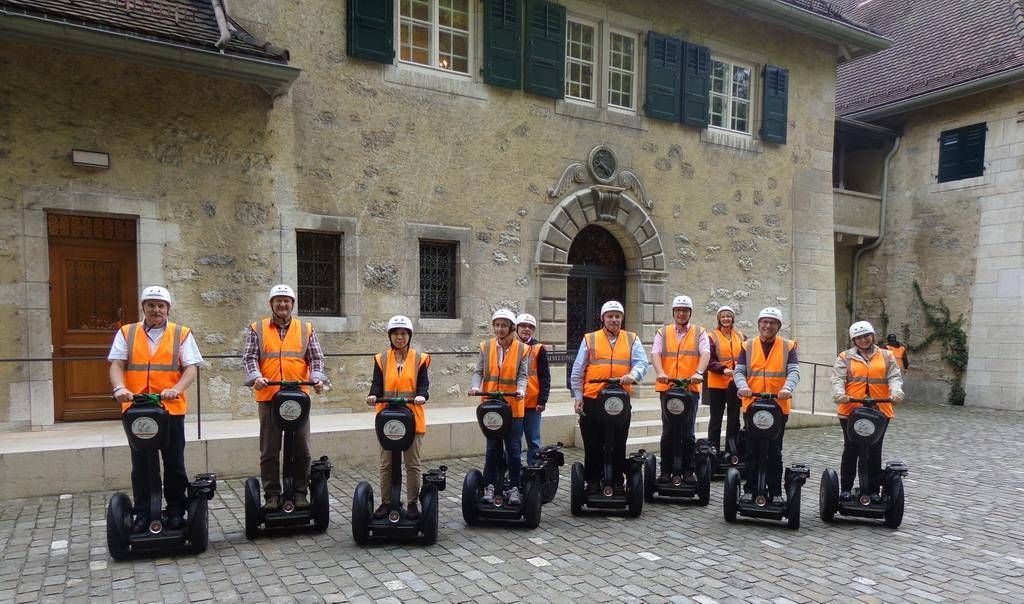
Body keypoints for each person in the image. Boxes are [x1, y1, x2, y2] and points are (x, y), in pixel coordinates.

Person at [108, 286, 203, 533]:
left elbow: (191, 368)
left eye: (161, 306)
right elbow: (117, 364)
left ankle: (175, 511)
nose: (156, 310)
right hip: (137, 410)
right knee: (141, 464)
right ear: (144, 307)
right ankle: (143, 513)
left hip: (170, 408)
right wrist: (119, 388)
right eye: (151, 305)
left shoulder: (181, 334)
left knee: (174, 462)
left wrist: (177, 389)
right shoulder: (127, 333)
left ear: (168, 309)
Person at [242, 284, 326, 512]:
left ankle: (300, 493)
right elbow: (249, 358)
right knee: (269, 449)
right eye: (278, 300)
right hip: (269, 396)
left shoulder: (305, 328)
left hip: (298, 397)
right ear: (271, 304)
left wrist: (317, 378)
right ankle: (272, 495)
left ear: (292, 304)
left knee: (303, 448)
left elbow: (316, 358)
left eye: (287, 301)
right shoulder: (257, 328)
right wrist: (256, 377)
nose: (283, 304)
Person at [570, 300, 650, 494]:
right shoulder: (590, 339)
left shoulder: (632, 339)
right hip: (593, 398)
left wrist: (633, 375)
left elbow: (642, 363)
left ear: (622, 318)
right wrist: (578, 396)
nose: (614, 319)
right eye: (610, 316)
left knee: (618, 441)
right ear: (603, 318)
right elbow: (578, 370)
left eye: (617, 316)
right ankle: (594, 481)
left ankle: (616, 481)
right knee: (593, 442)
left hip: (620, 398)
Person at [365, 315, 430, 519]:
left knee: (412, 464)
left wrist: (421, 395)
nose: (399, 337)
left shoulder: (420, 358)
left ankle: (412, 503)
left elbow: (423, 386)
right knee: (386, 464)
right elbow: (376, 384)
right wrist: (373, 395)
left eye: (403, 334)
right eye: (395, 334)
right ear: (390, 336)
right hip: (388, 419)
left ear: (409, 336)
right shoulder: (381, 358)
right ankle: (386, 502)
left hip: (412, 417)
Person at [832, 321, 904, 502]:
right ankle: (846, 489)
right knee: (851, 449)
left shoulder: (887, 356)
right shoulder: (845, 357)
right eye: (858, 337)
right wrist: (839, 394)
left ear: (872, 336)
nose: (863, 340)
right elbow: (838, 378)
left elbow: (894, 377)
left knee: (874, 450)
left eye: (866, 336)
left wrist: (896, 392)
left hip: (880, 410)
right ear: (853, 340)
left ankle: (872, 490)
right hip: (851, 410)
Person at [734, 307, 799, 505]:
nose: (767, 326)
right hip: (753, 405)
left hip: (778, 406)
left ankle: (776, 491)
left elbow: (794, 372)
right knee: (752, 450)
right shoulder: (747, 345)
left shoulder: (788, 346)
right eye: (764, 322)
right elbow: (739, 372)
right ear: (759, 324)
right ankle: (750, 489)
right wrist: (743, 387)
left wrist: (787, 388)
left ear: (778, 326)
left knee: (774, 451)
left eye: (772, 323)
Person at [468, 309, 528, 505]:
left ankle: (514, 488)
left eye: (504, 325)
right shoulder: (486, 347)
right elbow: (478, 371)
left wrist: (521, 390)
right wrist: (476, 387)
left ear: (511, 327)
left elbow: (522, 376)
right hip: (491, 407)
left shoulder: (522, 349)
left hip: (513, 407)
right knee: (492, 448)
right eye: (497, 325)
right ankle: (490, 486)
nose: (500, 329)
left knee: (513, 449)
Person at [650, 295, 709, 484]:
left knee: (688, 431)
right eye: (678, 311)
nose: (681, 314)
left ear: (690, 313)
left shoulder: (700, 332)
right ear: (673, 313)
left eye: (685, 311)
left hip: (690, 388)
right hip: (668, 387)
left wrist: (699, 372)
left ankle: (688, 470)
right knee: (668, 430)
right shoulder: (663, 332)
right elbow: (655, 353)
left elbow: (705, 353)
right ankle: (665, 470)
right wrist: (660, 372)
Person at [706, 305, 746, 460]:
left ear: (733, 318)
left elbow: (746, 357)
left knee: (734, 418)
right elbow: (709, 360)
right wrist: (723, 369)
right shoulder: (712, 336)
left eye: (728, 316)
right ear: (719, 319)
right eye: (723, 316)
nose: (726, 319)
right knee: (716, 418)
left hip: (735, 384)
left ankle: (732, 449)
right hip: (717, 383)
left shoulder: (741, 336)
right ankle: (713, 450)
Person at [515, 313, 551, 466]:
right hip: (514, 402)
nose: (526, 329)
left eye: (530, 327)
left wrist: (542, 400)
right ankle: (513, 472)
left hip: (532, 403)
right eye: (523, 326)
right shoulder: (510, 346)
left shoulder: (538, 348)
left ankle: (533, 473)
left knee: (534, 442)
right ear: (516, 328)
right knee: (513, 441)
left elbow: (545, 377)